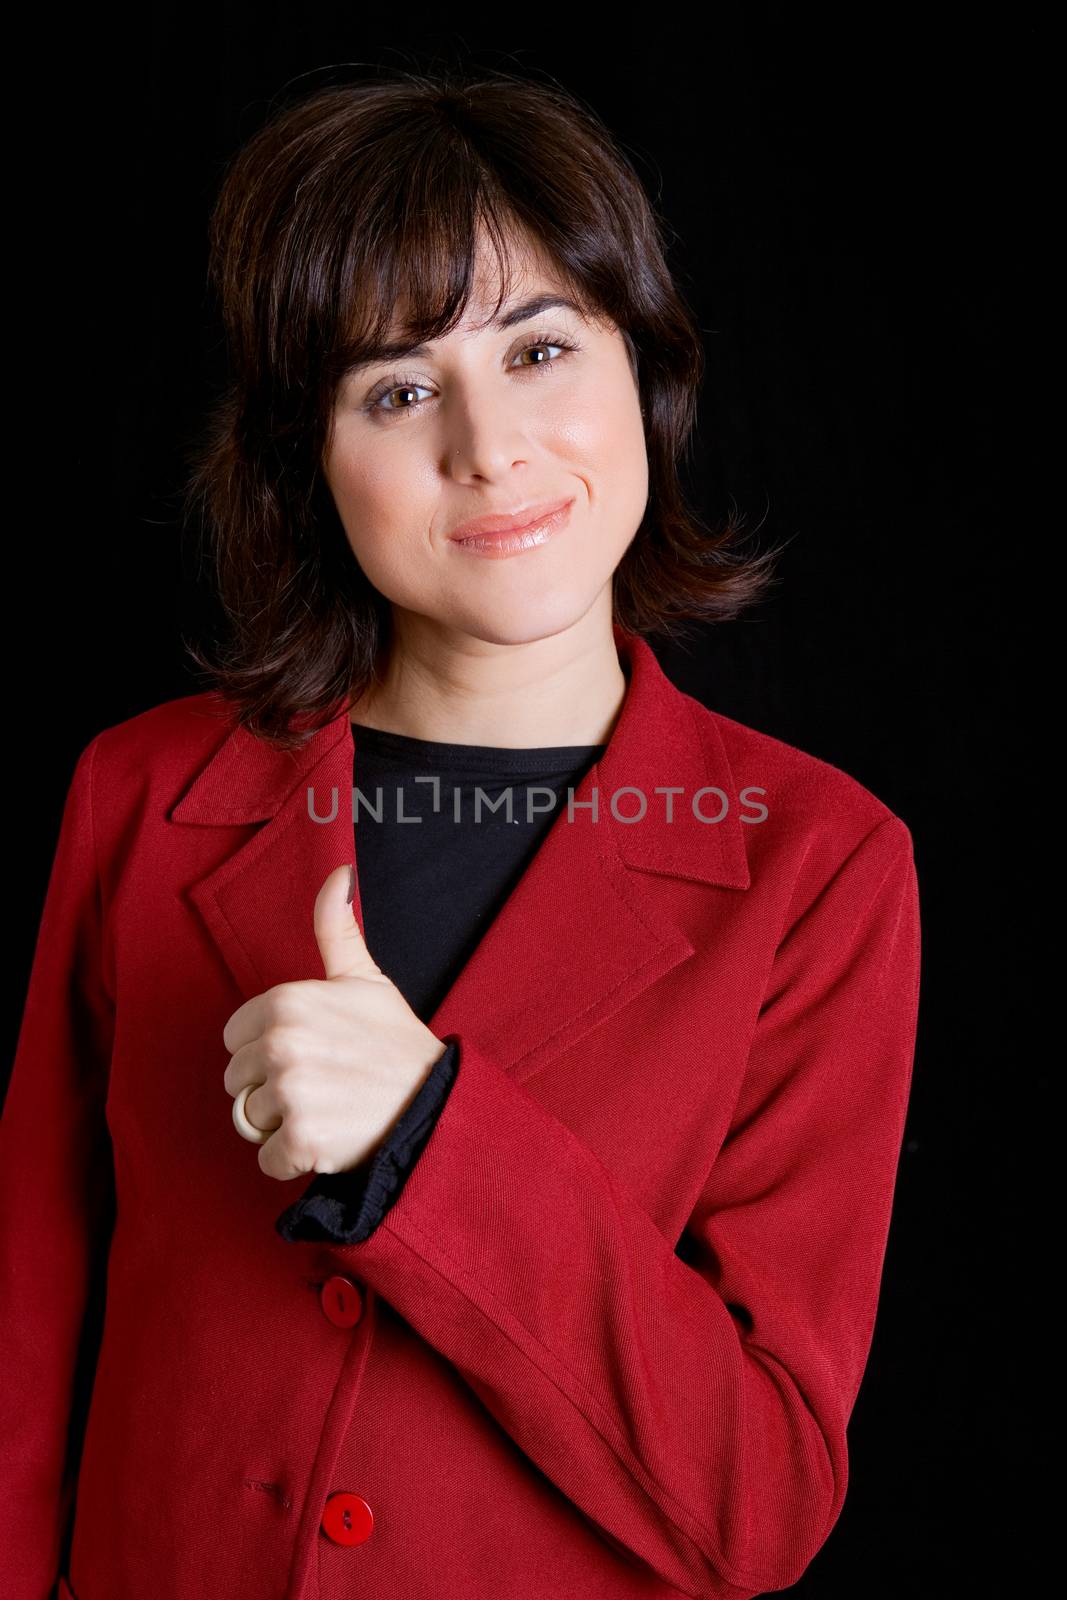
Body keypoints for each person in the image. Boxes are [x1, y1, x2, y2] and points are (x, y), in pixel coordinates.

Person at [0, 68, 921, 1600]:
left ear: (648, 372)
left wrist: (431, 1138)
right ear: (311, 459)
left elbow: (757, 1504)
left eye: (542, 348)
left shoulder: (817, 864)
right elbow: (26, 1334)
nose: (489, 448)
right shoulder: (140, 795)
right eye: (400, 388)